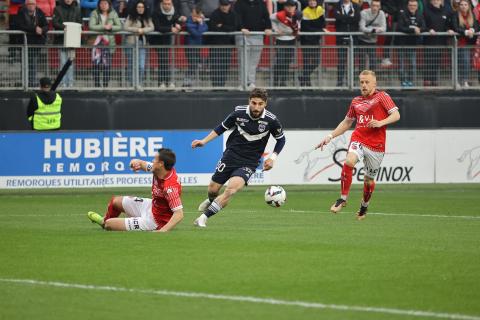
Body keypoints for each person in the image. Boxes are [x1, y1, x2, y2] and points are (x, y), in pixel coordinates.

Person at [191, 88, 286, 228]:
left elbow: (281, 140)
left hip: (249, 162)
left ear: (265, 104)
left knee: (230, 190)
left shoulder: (271, 120)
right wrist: (204, 141)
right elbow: (221, 128)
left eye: (260, 104)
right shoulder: (239, 112)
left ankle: (203, 218)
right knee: (213, 189)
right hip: (230, 156)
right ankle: (211, 201)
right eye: (254, 103)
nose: (256, 107)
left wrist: (272, 158)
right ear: (249, 101)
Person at [316, 70, 400, 220]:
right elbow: (347, 122)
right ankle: (342, 198)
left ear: (375, 83)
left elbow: (396, 115)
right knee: (349, 160)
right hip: (359, 138)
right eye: (361, 82)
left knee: (368, 180)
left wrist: (381, 122)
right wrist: (330, 136)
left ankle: (364, 206)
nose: (364, 85)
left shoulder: (383, 97)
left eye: (367, 82)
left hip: (376, 146)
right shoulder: (356, 101)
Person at [87, 148, 184, 232]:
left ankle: (106, 223)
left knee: (109, 224)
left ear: (161, 164)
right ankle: (105, 221)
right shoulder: (158, 169)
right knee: (115, 202)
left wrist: (163, 230)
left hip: (155, 221)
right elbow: (141, 163)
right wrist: (134, 163)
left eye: (155, 159)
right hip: (151, 206)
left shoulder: (170, 187)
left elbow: (179, 214)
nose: (152, 161)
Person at [234, 0, 272, 89]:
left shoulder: (261, 3)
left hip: (258, 35)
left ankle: (251, 82)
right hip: (242, 35)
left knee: (254, 62)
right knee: (243, 61)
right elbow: (236, 17)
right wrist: (241, 28)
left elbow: (266, 17)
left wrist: (268, 27)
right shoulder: (239, 3)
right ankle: (242, 83)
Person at [151, 0, 186, 89]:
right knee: (162, 60)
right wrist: (171, 29)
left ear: (172, 4)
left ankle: (167, 81)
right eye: (165, 4)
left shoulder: (174, 12)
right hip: (157, 40)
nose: (167, 6)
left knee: (165, 60)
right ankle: (161, 82)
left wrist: (179, 25)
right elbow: (157, 27)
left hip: (167, 39)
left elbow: (177, 22)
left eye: (169, 4)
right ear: (162, 4)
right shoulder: (156, 12)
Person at [88, 0, 122, 87]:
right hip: (96, 43)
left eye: (105, 3)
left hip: (109, 43)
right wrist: (103, 27)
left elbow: (119, 26)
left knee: (107, 66)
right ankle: (97, 85)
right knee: (96, 65)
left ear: (109, 4)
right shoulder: (94, 13)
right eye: (101, 3)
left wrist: (110, 28)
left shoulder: (113, 13)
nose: (103, 5)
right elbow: (91, 26)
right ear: (99, 5)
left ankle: (106, 85)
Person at [15, 0, 48, 87]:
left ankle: (31, 83)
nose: (31, 6)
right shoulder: (21, 12)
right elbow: (20, 25)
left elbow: (46, 25)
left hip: (36, 43)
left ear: (35, 4)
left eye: (33, 4)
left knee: (33, 63)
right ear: (26, 5)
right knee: (25, 63)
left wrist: (42, 30)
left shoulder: (40, 12)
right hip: (24, 42)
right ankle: (25, 82)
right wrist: (34, 29)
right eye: (29, 4)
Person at [423, 0, 455, 87]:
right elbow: (422, 24)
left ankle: (434, 79)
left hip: (441, 40)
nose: (436, 1)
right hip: (429, 40)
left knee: (437, 60)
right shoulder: (426, 10)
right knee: (428, 60)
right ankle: (427, 79)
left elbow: (449, 24)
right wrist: (428, 30)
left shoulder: (446, 10)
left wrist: (449, 29)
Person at [270, 0, 301, 87]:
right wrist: (275, 30)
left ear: (295, 7)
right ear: (284, 7)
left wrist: (297, 31)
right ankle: (276, 81)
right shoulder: (278, 15)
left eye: (292, 6)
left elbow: (299, 24)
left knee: (287, 61)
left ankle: (283, 81)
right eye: (288, 6)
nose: (290, 8)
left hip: (291, 39)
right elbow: (270, 18)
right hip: (280, 39)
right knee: (280, 61)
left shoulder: (297, 15)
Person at [395, 0, 426, 87]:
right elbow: (400, 27)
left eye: (414, 5)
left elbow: (424, 27)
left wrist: (418, 29)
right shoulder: (402, 14)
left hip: (412, 43)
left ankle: (410, 81)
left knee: (412, 64)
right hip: (401, 43)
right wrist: (413, 29)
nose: (412, 7)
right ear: (408, 6)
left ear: (417, 7)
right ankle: (403, 82)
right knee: (401, 65)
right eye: (410, 5)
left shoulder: (420, 15)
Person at [207, 0, 238, 87]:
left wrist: (222, 26)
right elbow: (213, 27)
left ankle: (222, 85)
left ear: (229, 5)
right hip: (215, 44)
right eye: (222, 5)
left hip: (228, 45)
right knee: (215, 66)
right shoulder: (215, 14)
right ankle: (215, 86)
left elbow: (234, 27)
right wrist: (227, 27)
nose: (224, 7)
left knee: (225, 66)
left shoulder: (233, 14)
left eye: (226, 5)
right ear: (219, 5)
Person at [52, 0, 82, 88]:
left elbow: (80, 22)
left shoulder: (77, 9)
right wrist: (66, 27)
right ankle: (63, 83)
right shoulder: (57, 9)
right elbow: (54, 22)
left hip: (72, 40)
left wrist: (72, 28)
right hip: (61, 39)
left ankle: (71, 83)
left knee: (71, 63)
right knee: (62, 62)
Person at [124, 0, 154, 86]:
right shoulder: (131, 16)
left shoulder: (147, 17)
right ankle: (131, 83)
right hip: (131, 42)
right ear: (135, 8)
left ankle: (139, 83)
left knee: (141, 65)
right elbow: (125, 27)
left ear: (144, 8)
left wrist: (143, 30)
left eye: (142, 7)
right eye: (138, 7)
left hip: (142, 43)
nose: (140, 9)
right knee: (131, 65)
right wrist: (137, 30)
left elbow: (152, 27)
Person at [299, 0, 326, 87]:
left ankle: (304, 77)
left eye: (314, 1)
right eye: (310, 1)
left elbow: (323, 24)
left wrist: (317, 26)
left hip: (315, 40)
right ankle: (307, 83)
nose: (312, 2)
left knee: (316, 62)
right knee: (306, 62)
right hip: (306, 40)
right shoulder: (305, 11)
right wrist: (319, 29)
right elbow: (306, 27)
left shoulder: (320, 9)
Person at [452, 0, 478, 87]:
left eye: (465, 5)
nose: (463, 6)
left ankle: (464, 80)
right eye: (462, 5)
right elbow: (455, 27)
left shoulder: (472, 15)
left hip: (469, 43)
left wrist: (473, 30)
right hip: (458, 43)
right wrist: (466, 32)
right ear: (459, 6)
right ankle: (458, 81)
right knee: (460, 62)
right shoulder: (455, 14)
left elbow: (477, 26)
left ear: (469, 6)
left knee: (466, 63)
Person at [334, 0, 360, 87]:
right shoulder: (337, 5)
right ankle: (339, 82)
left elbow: (357, 18)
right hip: (340, 37)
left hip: (353, 36)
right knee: (341, 61)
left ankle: (352, 82)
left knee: (352, 61)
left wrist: (343, 17)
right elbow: (337, 17)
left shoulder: (356, 6)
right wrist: (349, 17)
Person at [183, 6, 208, 88]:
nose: (196, 17)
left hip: (198, 46)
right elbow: (196, 34)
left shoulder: (200, 21)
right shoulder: (188, 21)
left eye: (198, 15)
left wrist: (200, 24)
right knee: (193, 64)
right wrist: (200, 25)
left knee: (195, 64)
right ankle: (186, 82)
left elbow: (206, 27)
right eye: (194, 15)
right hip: (190, 47)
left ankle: (191, 83)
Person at [358, 0, 386, 72]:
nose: (375, 8)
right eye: (373, 5)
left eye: (377, 6)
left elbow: (384, 28)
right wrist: (372, 30)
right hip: (362, 40)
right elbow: (362, 27)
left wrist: (377, 30)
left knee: (373, 62)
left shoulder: (381, 13)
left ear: (380, 7)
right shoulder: (364, 12)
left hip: (373, 41)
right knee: (362, 62)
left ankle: (371, 80)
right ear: (370, 6)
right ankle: (362, 80)